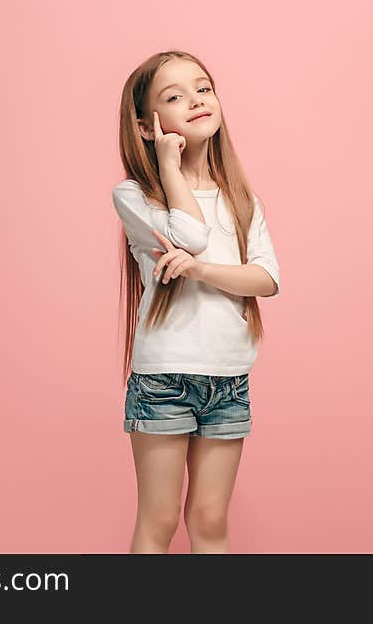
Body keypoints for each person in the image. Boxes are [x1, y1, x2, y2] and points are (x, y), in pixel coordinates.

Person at [111, 50, 281, 553]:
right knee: (159, 520)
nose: (195, 100)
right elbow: (191, 233)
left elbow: (267, 279)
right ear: (147, 126)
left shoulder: (242, 198)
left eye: (203, 88)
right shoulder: (135, 196)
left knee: (209, 521)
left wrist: (200, 271)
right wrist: (168, 164)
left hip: (229, 378)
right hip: (165, 376)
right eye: (174, 96)